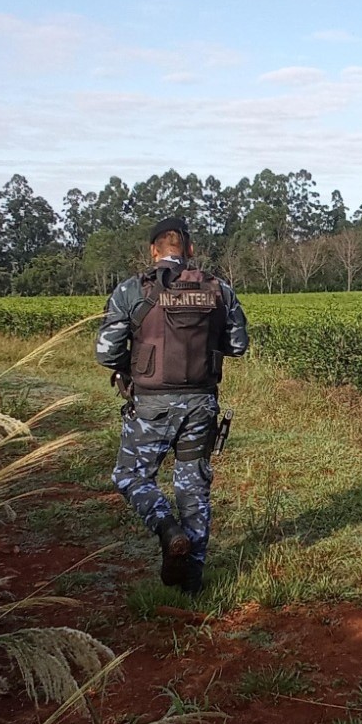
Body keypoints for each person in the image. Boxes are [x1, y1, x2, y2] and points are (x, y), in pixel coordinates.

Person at [96, 216, 249, 595]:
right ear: (190, 249)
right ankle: (191, 587)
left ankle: (167, 528)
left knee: (130, 476)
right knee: (193, 490)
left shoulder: (133, 290)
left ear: (153, 250)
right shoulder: (219, 290)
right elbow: (239, 345)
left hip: (150, 406)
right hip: (201, 406)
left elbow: (106, 352)